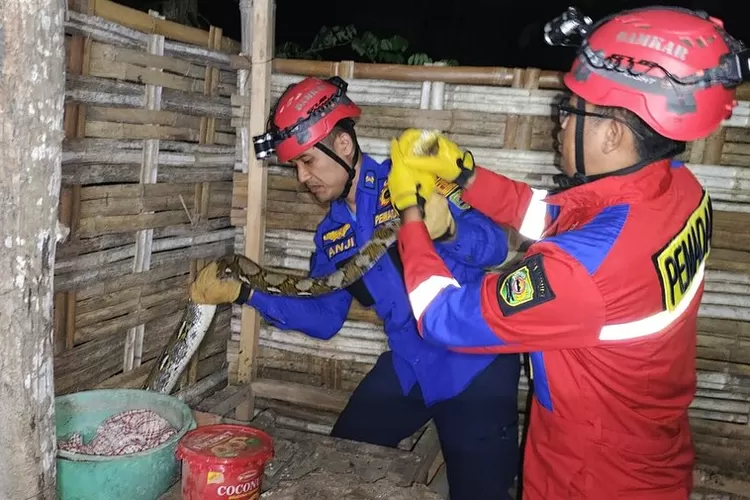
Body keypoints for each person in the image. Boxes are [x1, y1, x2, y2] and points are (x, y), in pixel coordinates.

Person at [388, 6, 748, 499]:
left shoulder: (580, 271)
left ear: (614, 133)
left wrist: (409, 215)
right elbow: (558, 220)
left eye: (569, 111)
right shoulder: (677, 192)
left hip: (589, 474)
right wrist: (463, 170)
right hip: (643, 448)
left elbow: (443, 315)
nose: (558, 125)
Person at [190, 76, 521, 500]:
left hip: (476, 364)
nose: (301, 177)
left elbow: (494, 246)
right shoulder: (331, 234)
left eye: (307, 161)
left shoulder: (414, 185)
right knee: (338, 455)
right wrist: (245, 294)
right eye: (295, 166)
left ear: (343, 146)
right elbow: (325, 317)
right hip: (410, 362)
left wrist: (450, 229)